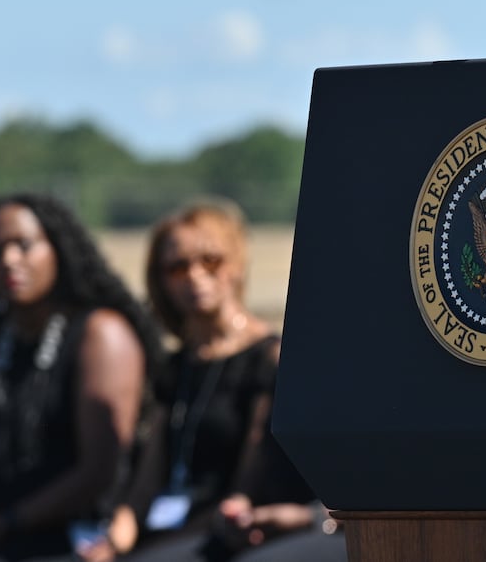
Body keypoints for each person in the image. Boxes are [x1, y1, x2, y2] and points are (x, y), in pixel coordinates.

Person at [0, 193, 161, 562]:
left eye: (23, 245)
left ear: (59, 249)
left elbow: (97, 473)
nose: (9, 260)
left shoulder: (100, 334)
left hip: (71, 538)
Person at [111, 200, 344, 562]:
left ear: (237, 265)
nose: (194, 275)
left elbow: (246, 482)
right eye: (177, 267)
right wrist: (114, 539)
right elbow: (146, 478)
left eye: (211, 260)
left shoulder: (268, 357)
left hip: (228, 526)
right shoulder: (173, 367)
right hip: (171, 526)